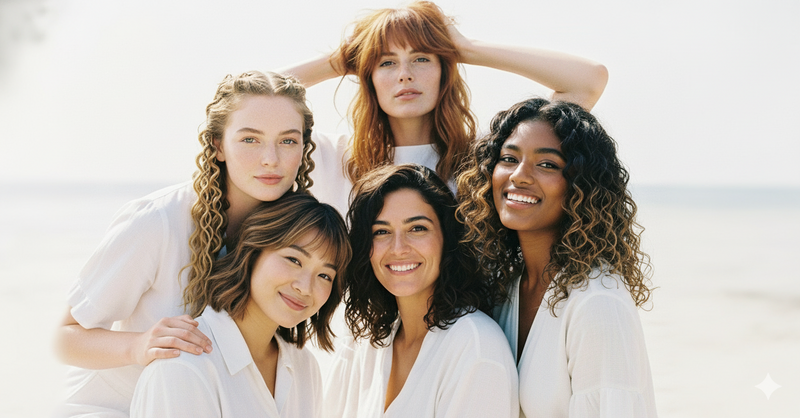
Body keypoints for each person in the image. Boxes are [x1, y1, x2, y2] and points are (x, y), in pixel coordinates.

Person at [52, 71, 316, 417]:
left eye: (287, 141)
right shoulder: (157, 221)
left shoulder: (293, 234)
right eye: (250, 140)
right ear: (218, 146)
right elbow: (64, 338)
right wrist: (138, 345)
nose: (271, 158)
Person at [278, 0, 608, 214]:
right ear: (368, 77)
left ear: (444, 70)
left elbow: (586, 82)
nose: (405, 75)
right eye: (387, 63)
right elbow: (238, 101)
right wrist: (339, 60)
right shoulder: (332, 156)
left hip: (467, 325)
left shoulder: (483, 156)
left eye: (421, 58)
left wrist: (466, 47)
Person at [456, 98, 657, 417]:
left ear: (581, 186)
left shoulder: (597, 303)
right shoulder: (508, 286)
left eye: (547, 164)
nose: (519, 176)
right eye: (509, 158)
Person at [130, 193, 351, 418]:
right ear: (253, 252)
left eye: (324, 275)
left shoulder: (305, 368)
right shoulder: (183, 367)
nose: (305, 287)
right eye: (294, 260)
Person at [324, 164, 518, 418]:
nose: (398, 248)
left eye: (417, 228)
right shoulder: (365, 345)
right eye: (381, 232)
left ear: (447, 238)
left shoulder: (475, 346)